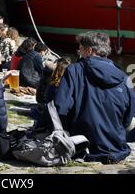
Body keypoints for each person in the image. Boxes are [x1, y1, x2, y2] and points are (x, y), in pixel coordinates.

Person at [54, 31, 135, 164]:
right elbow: (128, 117)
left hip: (82, 146)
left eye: (80, 49)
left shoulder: (74, 70)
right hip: (116, 147)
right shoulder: (124, 77)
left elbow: (60, 107)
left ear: (89, 50)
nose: (78, 53)